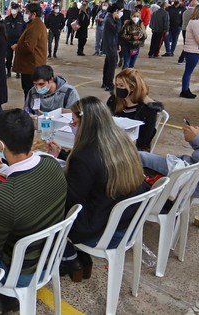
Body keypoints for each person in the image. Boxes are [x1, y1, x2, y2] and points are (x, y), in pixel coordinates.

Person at [45, 96, 149, 281]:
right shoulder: (120, 140)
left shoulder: (83, 157)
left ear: (86, 125)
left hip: (101, 228)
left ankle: (68, 256)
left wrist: (51, 175)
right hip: (128, 220)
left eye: (74, 123)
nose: (71, 127)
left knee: (44, 210)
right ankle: (75, 257)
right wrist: (62, 154)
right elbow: (99, 169)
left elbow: (70, 201)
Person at [0, 108, 66, 293]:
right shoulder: (53, 165)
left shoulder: (3, 198)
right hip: (52, 257)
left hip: (22, 273)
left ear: (0, 144)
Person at [107, 68, 164, 151]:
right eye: (117, 85)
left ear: (133, 87)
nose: (118, 88)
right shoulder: (113, 100)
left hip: (134, 148)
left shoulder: (148, 109)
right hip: (112, 142)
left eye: (122, 85)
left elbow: (146, 138)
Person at [12, 3, 47, 98]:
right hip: (31, 65)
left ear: (34, 14)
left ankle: (31, 111)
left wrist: (17, 47)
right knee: (30, 92)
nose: (25, 14)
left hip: (31, 66)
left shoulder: (35, 26)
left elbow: (28, 46)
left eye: (27, 12)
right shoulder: (34, 24)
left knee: (30, 92)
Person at [180, 4, 199, 99]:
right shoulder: (198, 23)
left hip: (191, 50)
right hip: (193, 51)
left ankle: (186, 89)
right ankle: (184, 90)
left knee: (188, 71)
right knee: (188, 72)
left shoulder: (193, 21)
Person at [101, 4, 123, 91]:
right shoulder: (109, 20)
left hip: (112, 44)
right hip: (110, 45)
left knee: (108, 63)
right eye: (120, 11)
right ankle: (109, 84)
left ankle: (105, 82)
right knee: (112, 64)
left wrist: (118, 44)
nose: (121, 13)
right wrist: (118, 19)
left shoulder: (110, 18)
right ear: (116, 11)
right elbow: (117, 30)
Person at [4, 3, 25, 79]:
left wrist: (17, 43)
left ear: (18, 9)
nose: (13, 10)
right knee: (8, 58)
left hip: (19, 42)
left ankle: (18, 72)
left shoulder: (22, 19)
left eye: (15, 8)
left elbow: (24, 32)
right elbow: (4, 32)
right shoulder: (7, 19)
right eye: (12, 8)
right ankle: (8, 72)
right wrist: (10, 44)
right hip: (9, 42)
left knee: (18, 58)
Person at [177, 0, 197, 64]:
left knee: (186, 44)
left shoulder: (185, 12)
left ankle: (184, 58)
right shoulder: (195, 12)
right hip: (190, 30)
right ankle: (181, 59)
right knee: (188, 45)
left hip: (184, 29)